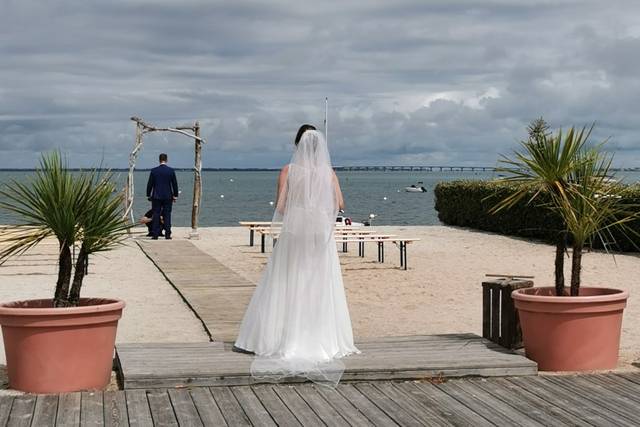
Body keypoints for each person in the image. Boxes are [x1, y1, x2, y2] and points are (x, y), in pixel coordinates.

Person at [234, 124, 360, 387]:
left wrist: (299, 204)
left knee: (287, 281)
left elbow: (280, 207)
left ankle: (281, 339)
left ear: (297, 145)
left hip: (296, 229)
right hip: (318, 233)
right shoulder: (328, 173)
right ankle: (320, 338)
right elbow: (340, 204)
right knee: (317, 283)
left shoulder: (288, 171)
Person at [146, 153, 178, 240]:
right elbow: (174, 184)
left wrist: (148, 194)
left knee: (156, 215)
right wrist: (175, 195)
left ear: (159, 160)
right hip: (168, 196)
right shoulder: (171, 171)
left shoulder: (154, 171)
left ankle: (155, 234)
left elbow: (150, 184)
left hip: (156, 196)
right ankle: (168, 234)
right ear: (166, 160)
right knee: (167, 215)